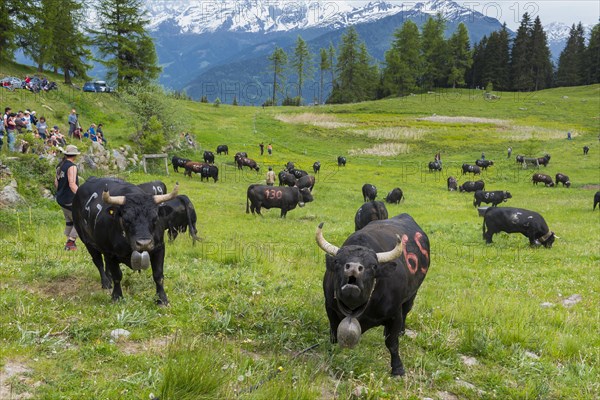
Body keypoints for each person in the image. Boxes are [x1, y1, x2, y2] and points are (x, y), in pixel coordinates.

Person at [54, 145, 80, 250]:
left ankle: (69, 242)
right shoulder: (72, 166)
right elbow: (72, 184)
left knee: (70, 220)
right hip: (70, 199)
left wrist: (61, 192)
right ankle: (71, 242)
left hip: (61, 198)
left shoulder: (60, 165)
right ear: (75, 156)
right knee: (79, 220)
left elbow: (56, 183)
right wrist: (81, 195)